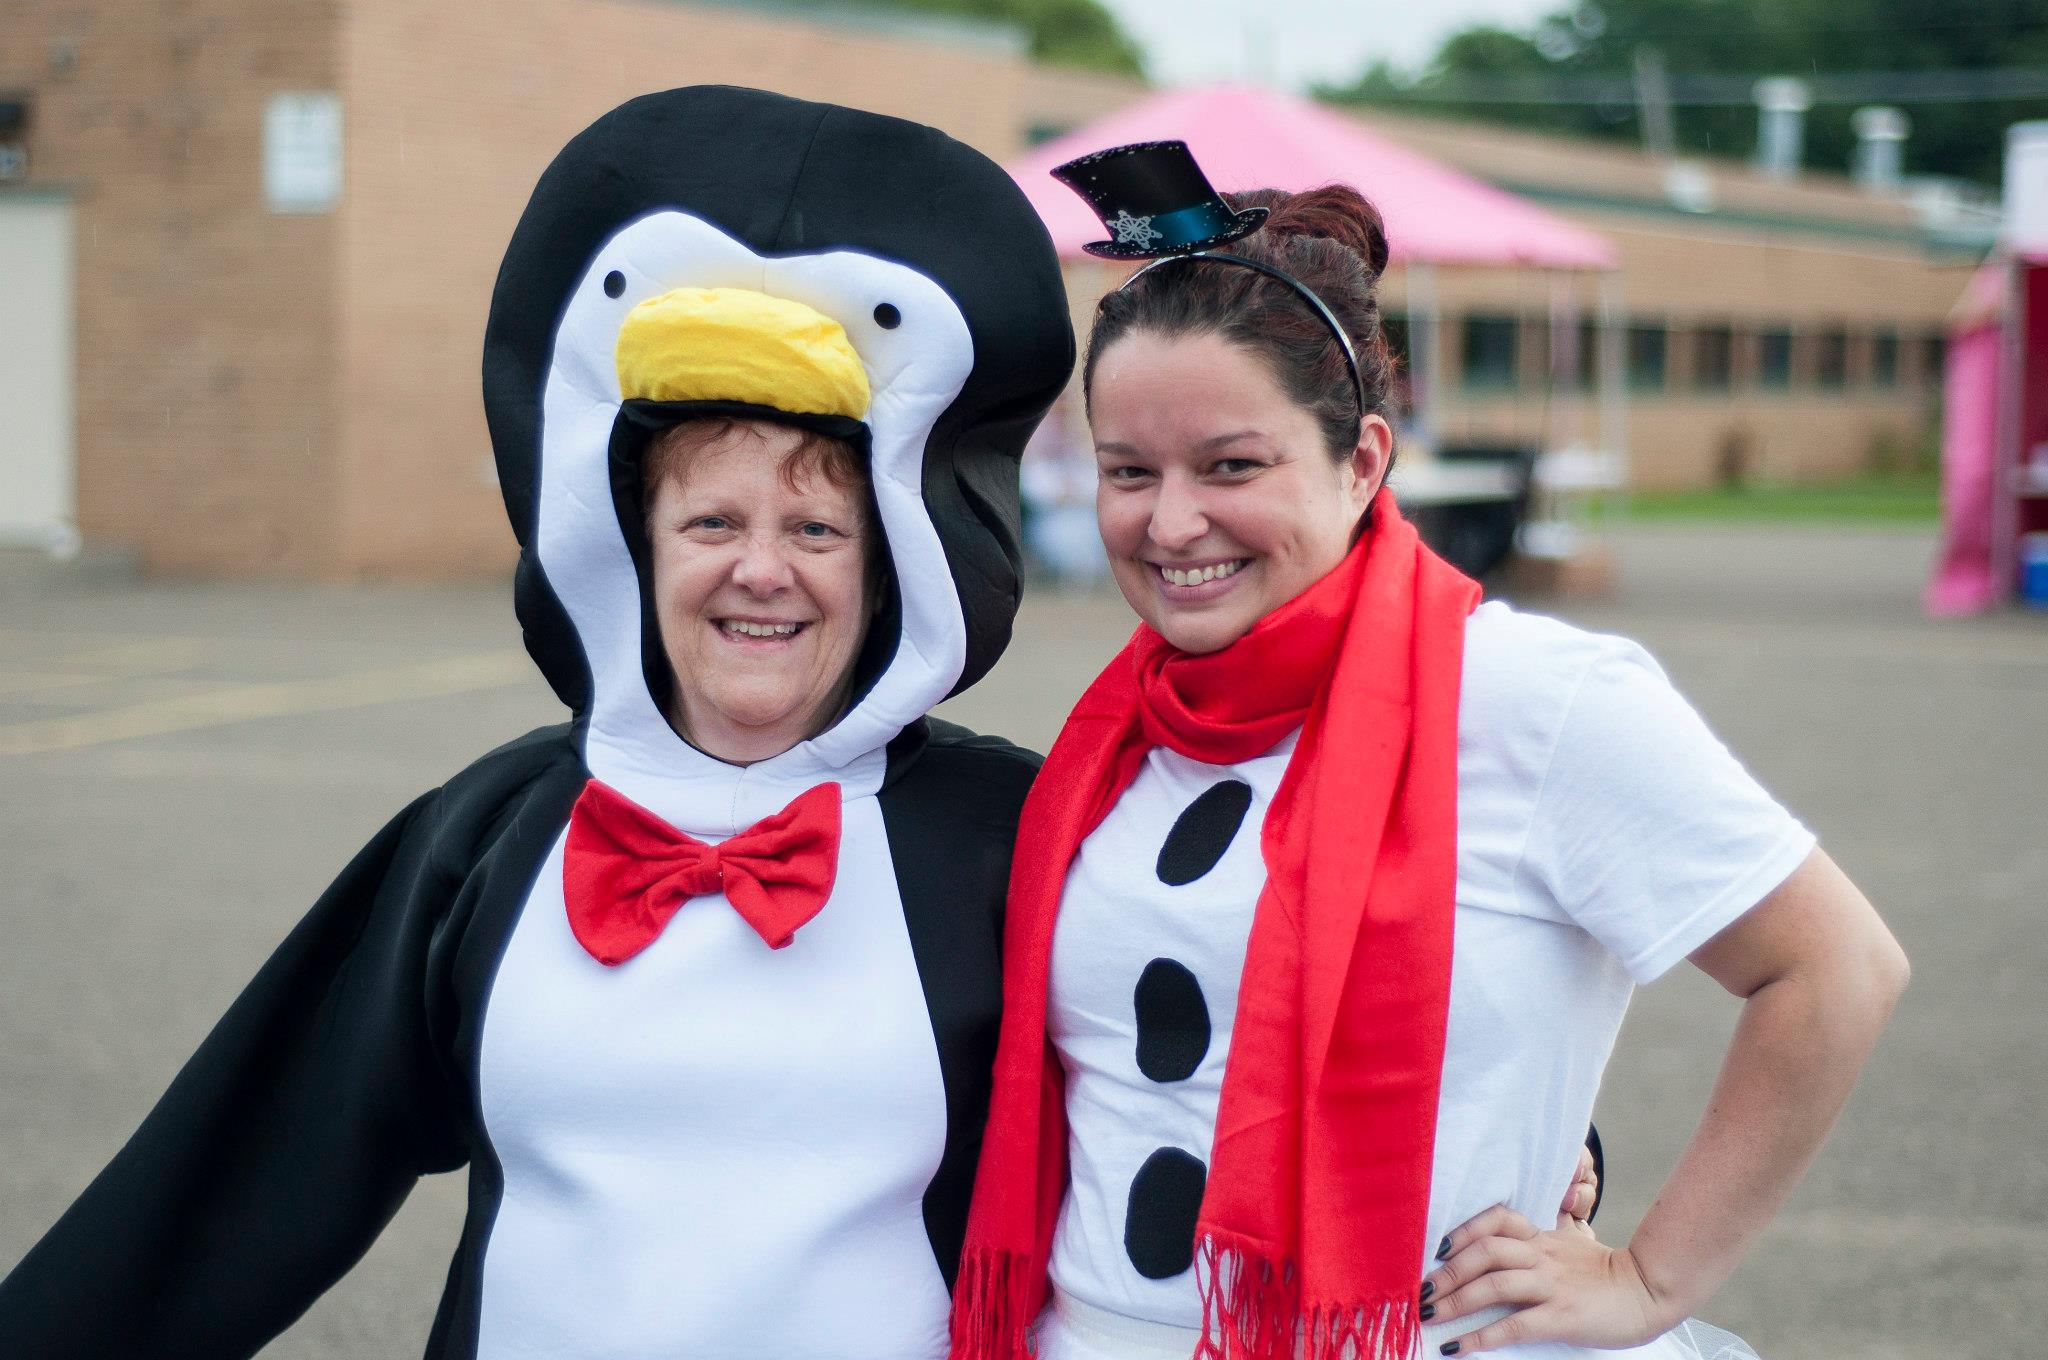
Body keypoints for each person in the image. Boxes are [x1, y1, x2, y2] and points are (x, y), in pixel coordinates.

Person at [0, 86, 1075, 1359]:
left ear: (888, 557)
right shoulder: (492, 832)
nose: (761, 570)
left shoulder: (1018, 841)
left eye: (815, 530)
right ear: (635, 543)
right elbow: (229, 1180)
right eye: (712, 524)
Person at [950, 143, 1908, 1360]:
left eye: (1231, 465)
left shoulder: (1529, 698)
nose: (1170, 519)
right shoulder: (1116, 739)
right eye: (1127, 471)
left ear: (1361, 462)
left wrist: (1649, 1274)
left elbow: (1833, 969)